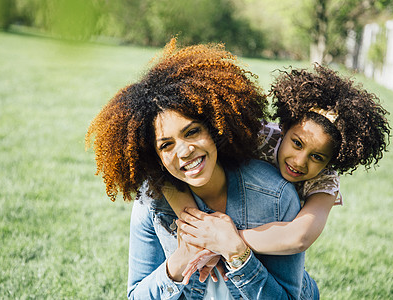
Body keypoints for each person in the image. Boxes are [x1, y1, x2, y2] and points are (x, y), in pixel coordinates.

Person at [85, 38, 318, 299]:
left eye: (192, 132)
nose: (184, 151)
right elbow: (136, 295)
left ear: (215, 127)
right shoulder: (151, 203)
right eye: (166, 145)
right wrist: (181, 259)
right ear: (156, 157)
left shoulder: (276, 196)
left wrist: (236, 253)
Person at [168, 65, 391, 284]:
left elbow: (300, 237)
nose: (299, 161)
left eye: (317, 157)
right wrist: (200, 230)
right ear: (284, 126)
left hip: (272, 258)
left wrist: (225, 241)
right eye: (297, 143)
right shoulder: (260, 137)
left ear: (332, 161)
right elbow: (181, 170)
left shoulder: (326, 181)